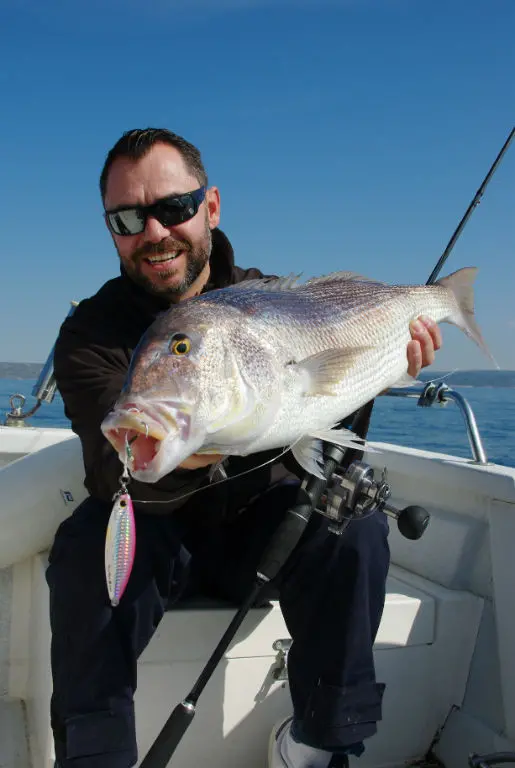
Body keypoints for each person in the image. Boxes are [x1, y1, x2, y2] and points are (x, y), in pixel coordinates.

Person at [48, 128, 442, 768]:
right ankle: (95, 757)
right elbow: (109, 458)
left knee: (355, 529)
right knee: (81, 550)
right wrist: (180, 432)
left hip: (264, 532)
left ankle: (320, 743)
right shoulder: (91, 334)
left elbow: (323, 417)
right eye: (127, 217)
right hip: (150, 539)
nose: (154, 232)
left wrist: (383, 367)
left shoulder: (275, 303)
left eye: (174, 207)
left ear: (211, 206)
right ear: (111, 229)